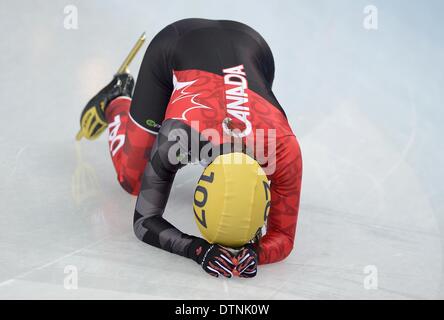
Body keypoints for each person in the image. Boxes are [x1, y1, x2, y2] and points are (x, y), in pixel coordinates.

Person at [77, 18, 302, 278]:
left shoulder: (284, 149)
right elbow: (142, 222)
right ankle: (117, 101)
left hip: (253, 47)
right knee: (132, 180)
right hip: (174, 44)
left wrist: (255, 251)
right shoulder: (180, 135)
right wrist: (197, 249)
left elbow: (283, 237)